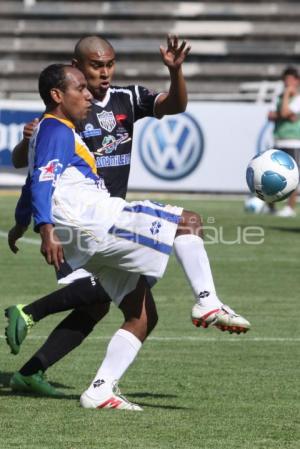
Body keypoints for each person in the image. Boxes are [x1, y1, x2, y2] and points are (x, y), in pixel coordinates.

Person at [9, 63, 250, 410]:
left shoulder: (46, 131)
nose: (88, 94)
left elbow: (33, 181)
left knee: (142, 314)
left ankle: (100, 391)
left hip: (82, 236)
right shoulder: (56, 129)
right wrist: (45, 228)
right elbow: (44, 180)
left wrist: (20, 224)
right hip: (92, 220)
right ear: (57, 96)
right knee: (188, 222)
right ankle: (207, 301)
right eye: (80, 88)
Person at [268, 66, 300, 217]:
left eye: (290, 79)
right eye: (285, 80)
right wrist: (285, 115)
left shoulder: (297, 97)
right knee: (270, 173)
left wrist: (287, 95)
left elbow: (283, 112)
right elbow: (271, 115)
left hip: (294, 142)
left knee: (292, 176)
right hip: (279, 139)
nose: (287, 83)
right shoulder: (278, 96)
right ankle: (271, 207)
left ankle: (290, 208)